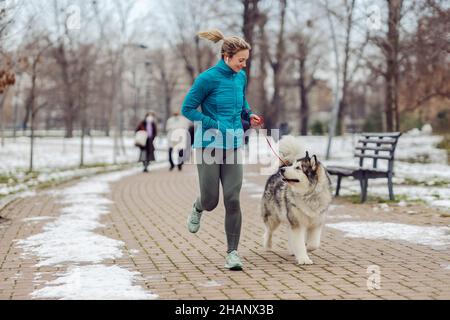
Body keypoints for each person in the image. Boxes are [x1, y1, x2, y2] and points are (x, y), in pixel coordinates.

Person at [181, 29, 262, 271]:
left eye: (246, 60)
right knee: (211, 200)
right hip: (208, 145)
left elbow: (241, 101)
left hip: (234, 144)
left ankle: (232, 253)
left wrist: (249, 113)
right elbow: (188, 109)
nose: (244, 64)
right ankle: (198, 206)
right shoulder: (207, 79)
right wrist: (214, 124)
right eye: (241, 60)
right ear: (226, 56)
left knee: (233, 199)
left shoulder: (240, 77)